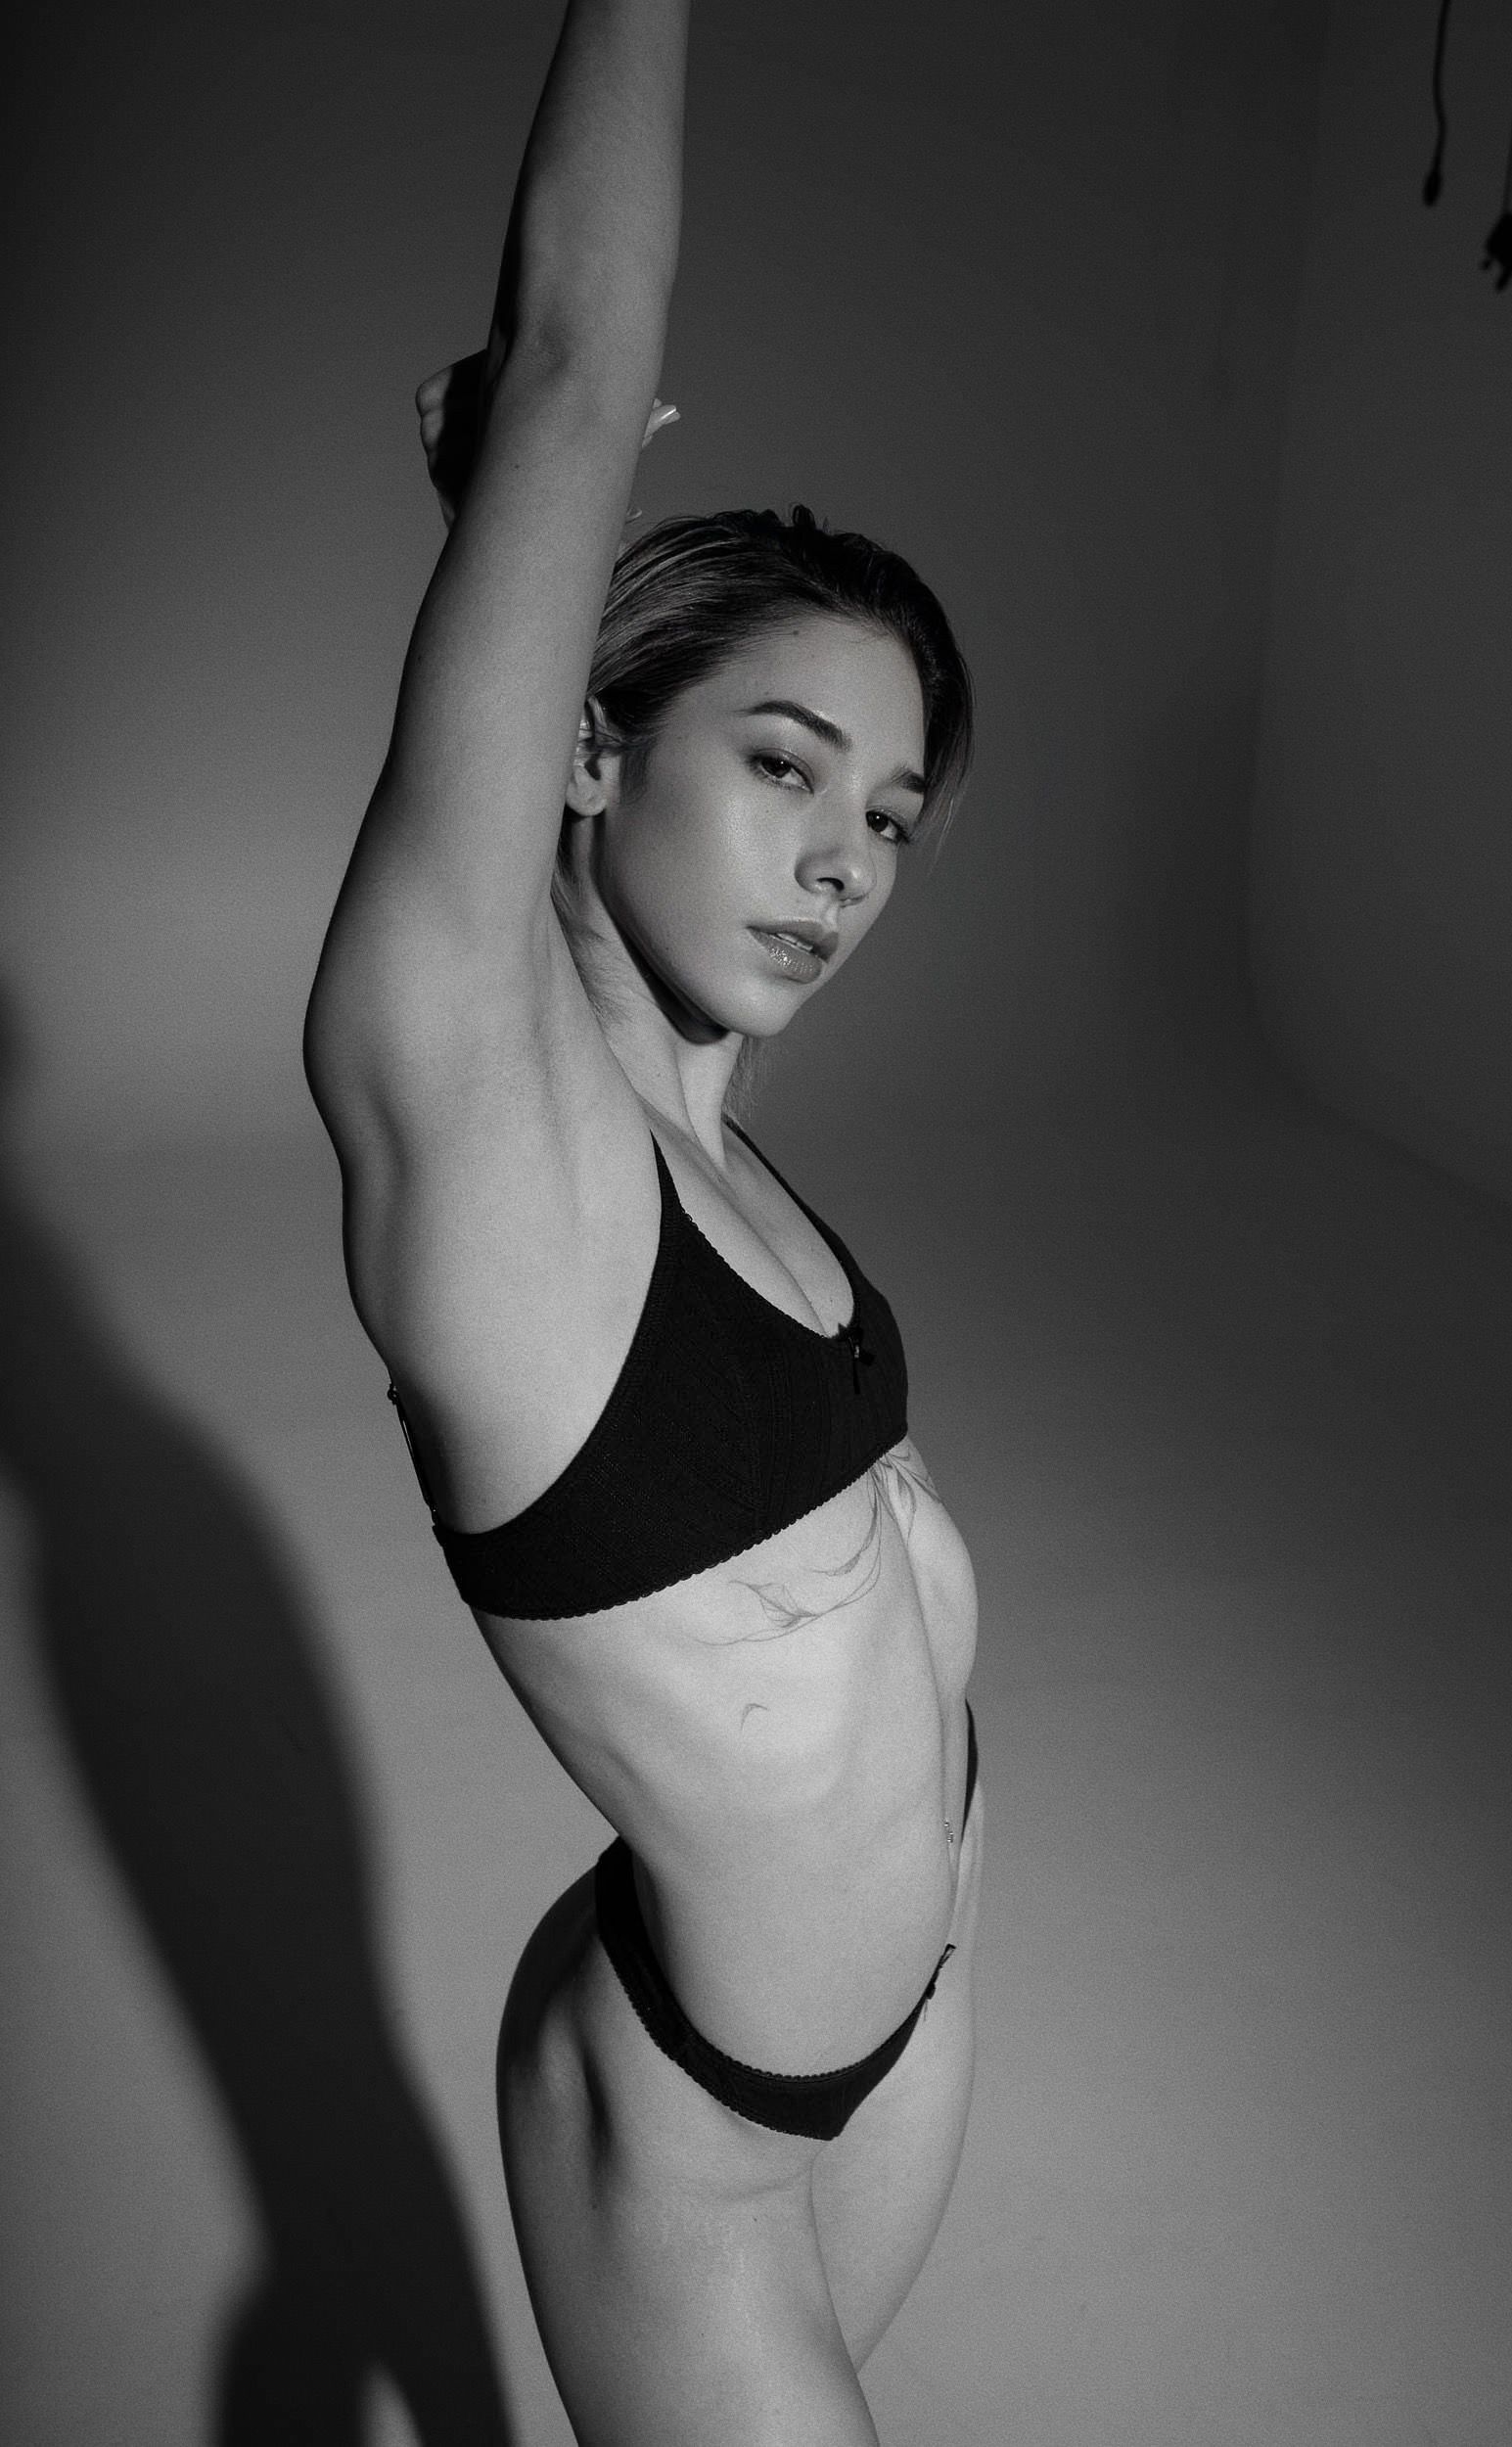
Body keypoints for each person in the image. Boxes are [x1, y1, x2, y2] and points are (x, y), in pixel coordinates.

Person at [303, 3, 980, 2438]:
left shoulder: (704, 1118)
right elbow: (587, 355)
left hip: (906, 2002)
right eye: (782, 763)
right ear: (589, 741)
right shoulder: (476, 1116)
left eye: (890, 813)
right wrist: (535, 493)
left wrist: (507, 545)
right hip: (688, 2127)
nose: (839, 859)